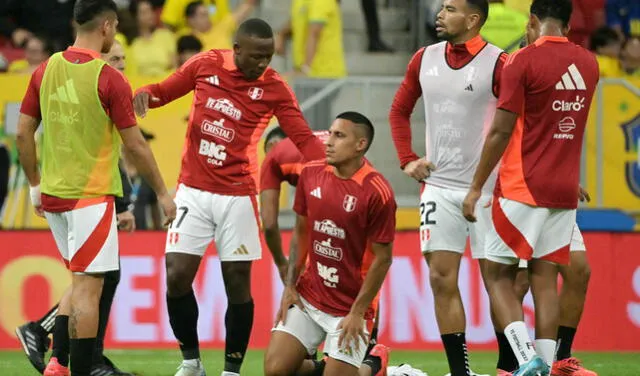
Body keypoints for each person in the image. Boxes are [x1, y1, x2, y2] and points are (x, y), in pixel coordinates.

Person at [133, 17, 325, 376]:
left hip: (238, 195)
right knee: (175, 274)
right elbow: (164, 90)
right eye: (255, 56)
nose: (262, 64)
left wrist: (330, 168)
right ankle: (191, 362)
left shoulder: (275, 87)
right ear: (237, 50)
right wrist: (143, 93)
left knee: (237, 283)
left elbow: (302, 137)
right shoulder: (205, 65)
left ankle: (231, 371)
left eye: (268, 57)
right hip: (192, 190)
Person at [14, 1, 176, 375]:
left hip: (53, 197)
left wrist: (36, 186)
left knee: (79, 282)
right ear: (106, 26)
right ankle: (82, 371)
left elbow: (23, 132)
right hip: (89, 198)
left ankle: (56, 364)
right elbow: (135, 145)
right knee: (89, 290)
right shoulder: (109, 78)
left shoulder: (46, 68)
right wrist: (164, 195)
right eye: (116, 26)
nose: (116, 33)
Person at [462, 0, 599, 374]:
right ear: (569, 26)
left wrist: (475, 188)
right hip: (563, 190)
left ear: (532, 21)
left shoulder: (522, 60)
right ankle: (550, 363)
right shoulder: (589, 63)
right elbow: (559, 127)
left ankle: (526, 359)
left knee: (497, 275)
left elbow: (502, 130)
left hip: (522, 187)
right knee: (544, 279)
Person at [388, 1, 505, 375]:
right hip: (438, 187)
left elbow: (522, 123)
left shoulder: (499, 63)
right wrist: (407, 158)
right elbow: (398, 110)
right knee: (441, 279)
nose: (439, 13)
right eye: (441, 7)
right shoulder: (424, 58)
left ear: (473, 20)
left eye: (450, 8)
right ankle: (461, 372)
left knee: (498, 283)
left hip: (487, 191)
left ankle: (509, 366)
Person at [15, 39, 141, 376]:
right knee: (95, 279)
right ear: (98, 59)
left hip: (73, 194)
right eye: (115, 58)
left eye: (125, 59)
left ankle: (59, 359)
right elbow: (114, 153)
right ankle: (78, 356)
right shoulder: (98, 86)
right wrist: (126, 201)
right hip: (87, 195)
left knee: (91, 278)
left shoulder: (102, 86)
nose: (121, 65)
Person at [264, 111, 396, 376]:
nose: (328, 141)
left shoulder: (376, 192)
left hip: (351, 307)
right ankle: (330, 366)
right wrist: (290, 286)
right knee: (275, 370)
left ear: (360, 144)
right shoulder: (311, 173)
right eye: (330, 133)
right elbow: (301, 232)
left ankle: (374, 366)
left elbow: (383, 259)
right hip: (310, 295)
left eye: (339, 135)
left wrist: (358, 312)